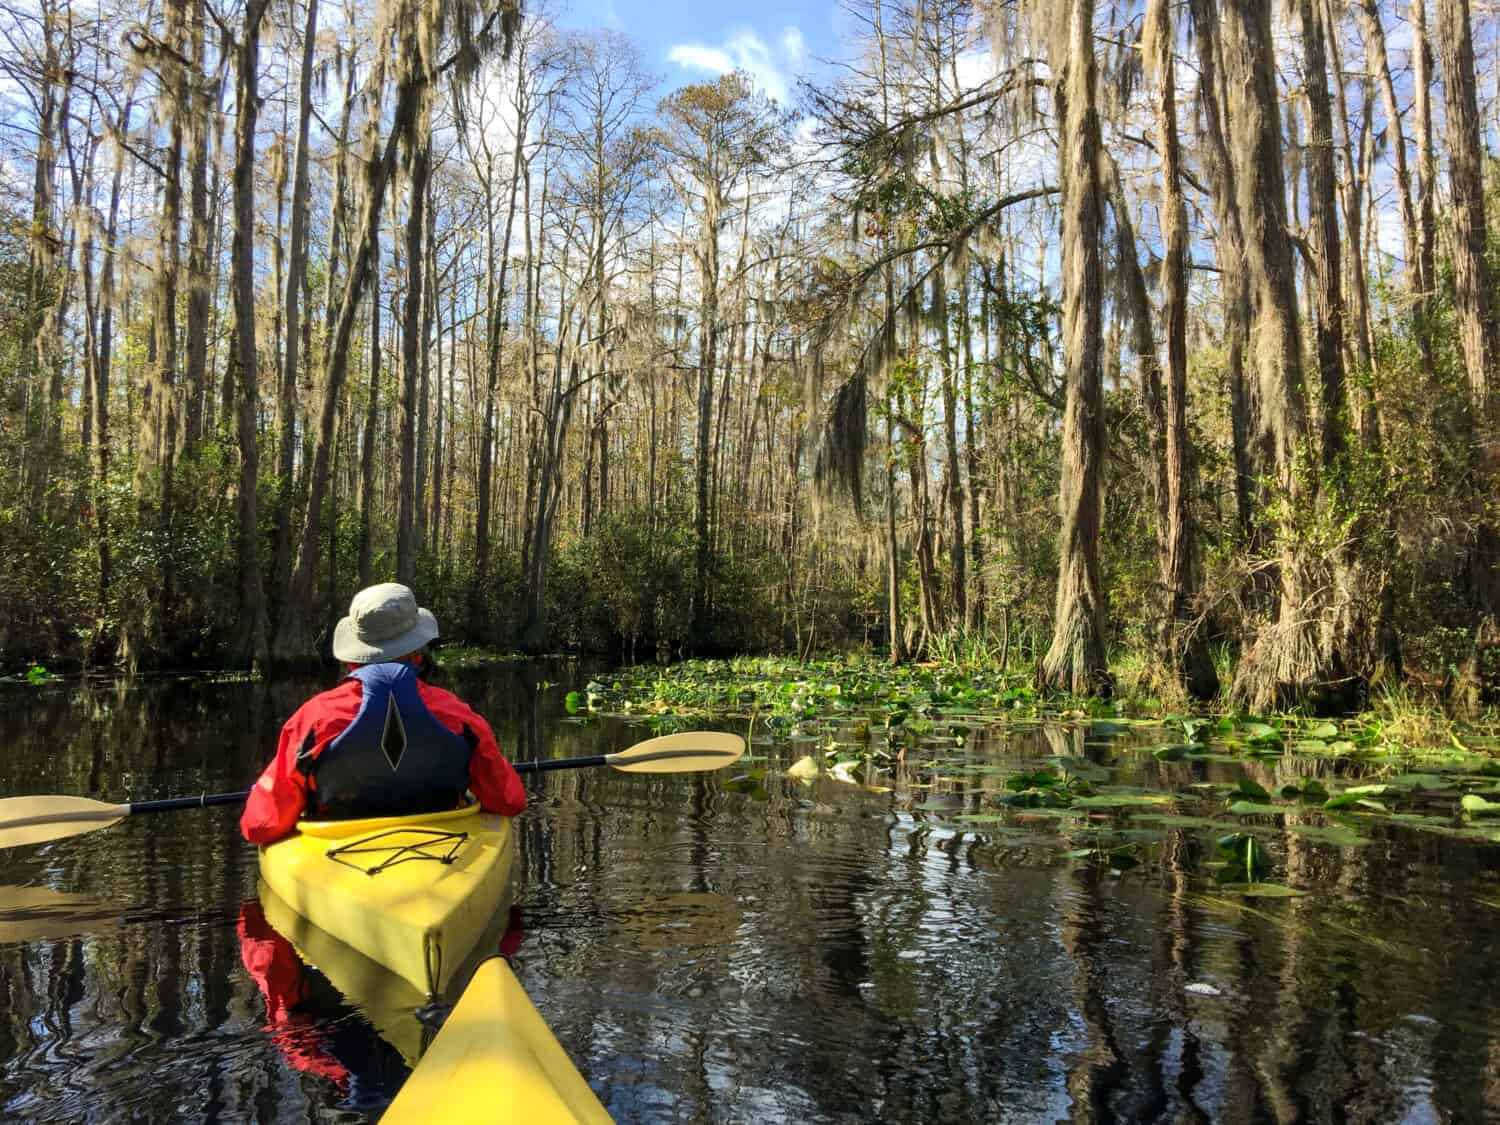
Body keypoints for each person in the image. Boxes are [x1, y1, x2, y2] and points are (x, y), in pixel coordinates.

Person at [240, 583, 526, 844]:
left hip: (338, 847)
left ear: (353, 659)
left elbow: (261, 826)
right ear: (417, 652)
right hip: (443, 841)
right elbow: (509, 800)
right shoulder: (457, 716)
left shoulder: (313, 721)